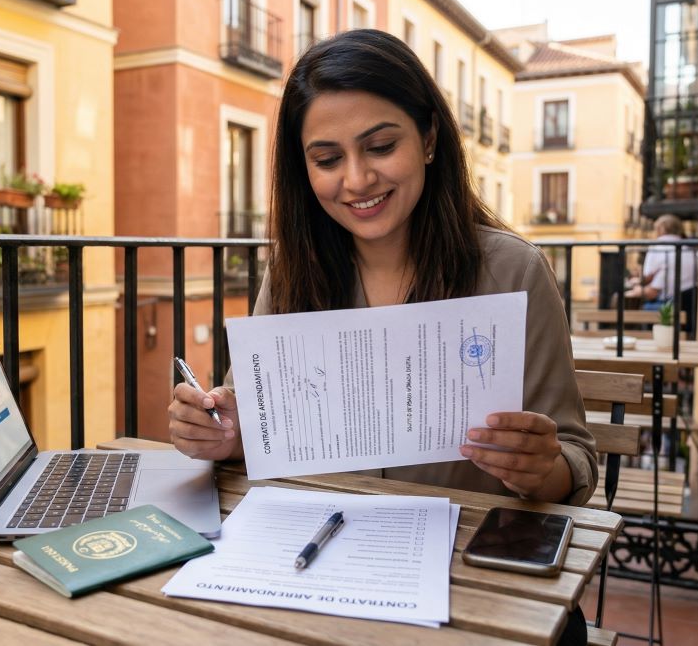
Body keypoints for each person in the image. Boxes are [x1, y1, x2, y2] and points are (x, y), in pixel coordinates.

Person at [169, 30, 595, 499]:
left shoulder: (514, 271)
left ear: (429, 138)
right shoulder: (293, 269)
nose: (357, 179)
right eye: (328, 159)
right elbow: (253, 423)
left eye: (381, 147)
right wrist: (223, 433)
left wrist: (541, 468)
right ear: (304, 170)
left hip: (462, 555)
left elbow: (573, 458)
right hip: (311, 545)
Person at [628, 214, 697, 336]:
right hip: (691, 306)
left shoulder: (658, 248)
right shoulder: (689, 249)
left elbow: (649, 284)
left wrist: (638, 288)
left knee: (635, 306)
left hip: (669, 304)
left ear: (662, 229)